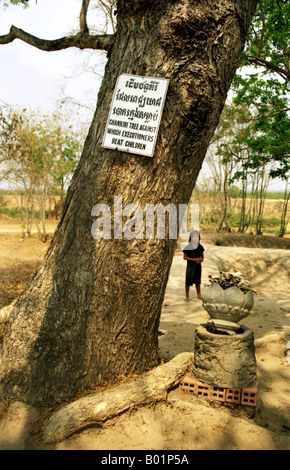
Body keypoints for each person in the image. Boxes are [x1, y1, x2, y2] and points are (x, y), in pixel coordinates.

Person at [183, 230, 204, 301]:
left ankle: (199, 295)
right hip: (190, 267)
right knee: (188, 281)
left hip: (198, 266)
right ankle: (187, 296)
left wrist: (201, 259)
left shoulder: (200, 247)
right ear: (191, 238)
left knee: (198, 281)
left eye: (197, 237)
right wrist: (194, 259)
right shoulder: (188, 247)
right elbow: (185, 257)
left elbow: (202, 255)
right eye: (194, 237)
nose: (195, 238)